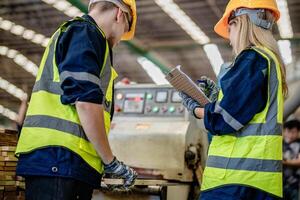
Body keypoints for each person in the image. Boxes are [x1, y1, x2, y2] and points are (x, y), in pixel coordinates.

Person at [15, 0, 137, 199]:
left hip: (62, 162)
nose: (122, 38)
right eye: (125, 30)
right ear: (119, 15)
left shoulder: (83, 36)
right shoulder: (86, 33)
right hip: (60, 160)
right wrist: (110, 161)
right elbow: (85, 102)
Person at [179, 0, 288, 199]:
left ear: (241, 22)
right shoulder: (267, 61)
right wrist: (213, 99)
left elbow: (224, 120)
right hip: (255, 182)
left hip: (235, 182)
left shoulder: (252, 59)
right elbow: (242, 111)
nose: (229, 37)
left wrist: (195, 107)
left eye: (230, 26)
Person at [283, 119, 300, 200]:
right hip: (279, 184)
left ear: (298, 133)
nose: (290, 135)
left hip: (294, 184)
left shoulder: (298, 145)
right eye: (287, 131)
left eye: (293, 132)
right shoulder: (280, 144)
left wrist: (285, 162)